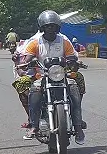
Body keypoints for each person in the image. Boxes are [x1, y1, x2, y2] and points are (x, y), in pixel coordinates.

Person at [19, 11, 86, 144]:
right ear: (42, 28)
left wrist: (73, 61)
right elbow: (28, 57)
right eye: (48, 26)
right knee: (35, 91)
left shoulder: (64, 42)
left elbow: (72, 55)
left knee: (74, 91)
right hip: (41, 76)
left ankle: (78, 126)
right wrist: (29, 61)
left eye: (53, 26)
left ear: (57, 28)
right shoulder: (35, 43)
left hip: (62, 75)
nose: (51, 29)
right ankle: (34, 125)